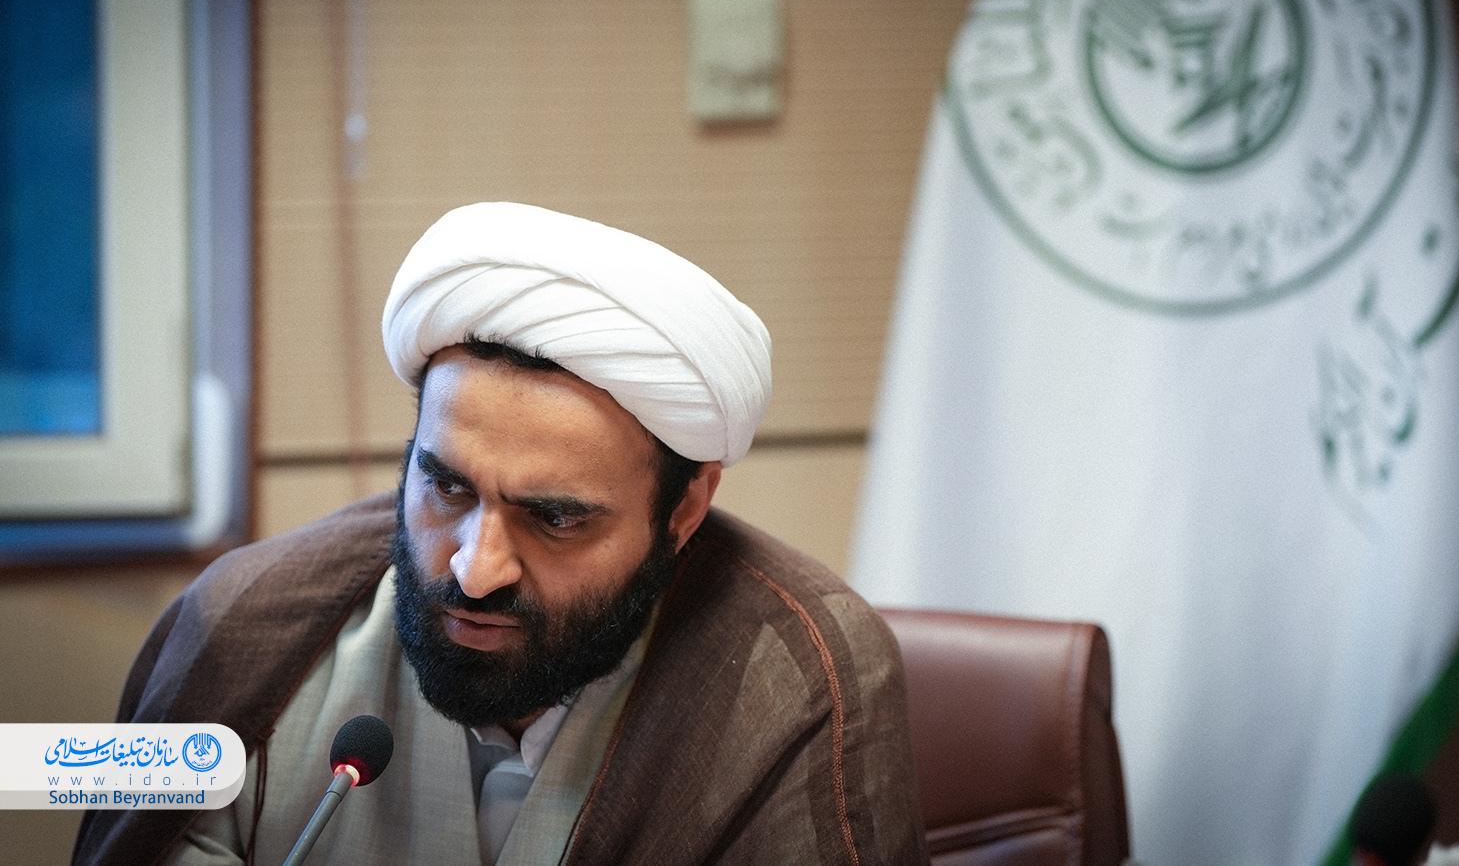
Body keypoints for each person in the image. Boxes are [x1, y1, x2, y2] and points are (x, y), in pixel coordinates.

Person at [74, 202, 926, 866]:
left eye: (555, 519)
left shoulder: (802, 677)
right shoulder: (236, 625)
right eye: (446, 487)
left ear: (684, 510)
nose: (475, 571)